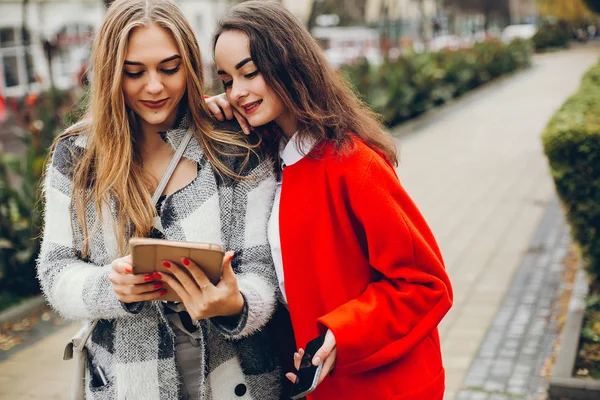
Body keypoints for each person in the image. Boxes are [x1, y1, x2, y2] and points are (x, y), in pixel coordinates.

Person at [37, 0, 285, 399]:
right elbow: (55, 270)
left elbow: (262, 268)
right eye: (134, 72)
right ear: (110, 74)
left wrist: (235, 304)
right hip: (128, 380)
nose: (154, 87)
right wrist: (111, 286)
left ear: (190, 65)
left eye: (169, 69)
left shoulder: (234, 146)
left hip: (238, 377)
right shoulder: (78, 155)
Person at [209, 1, 453, 399]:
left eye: (249, 73)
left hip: (382, 384)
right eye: (225, 81)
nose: (237, 92)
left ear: (288, 63)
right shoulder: (272, 157)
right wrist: (206, 117)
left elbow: (425, 284)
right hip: (322, 383)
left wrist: (342, 332)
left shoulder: (352, 164)